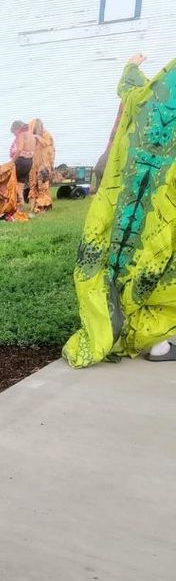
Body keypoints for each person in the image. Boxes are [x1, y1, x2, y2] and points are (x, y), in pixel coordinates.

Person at [64, 54, 176, 367]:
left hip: (128, 205)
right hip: (162, 210)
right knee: (157, 269)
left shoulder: (144, 101)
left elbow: (128, 86)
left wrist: (132, 65)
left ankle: (121, 329)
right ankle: (154, 341)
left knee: (124, 266)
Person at [28, 119, 55, 214]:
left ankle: (43, 206)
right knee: (33, 184)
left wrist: (38, 137)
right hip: (34, 164)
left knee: (43, 185)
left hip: (44, 165)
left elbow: (48, 146)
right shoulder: (31, 136)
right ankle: (33, 206)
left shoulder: (47, 135)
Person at [10, 120, 36, 208]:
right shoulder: (31, 135)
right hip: (29, 162)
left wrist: (12, 161)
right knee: (21, 185)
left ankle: (18, 204)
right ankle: (20, 205)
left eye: (14, 132)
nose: (15, 135)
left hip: (21, 161)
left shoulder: (21, 135)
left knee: (14, 183)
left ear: (17, 128)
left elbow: (20, 149)